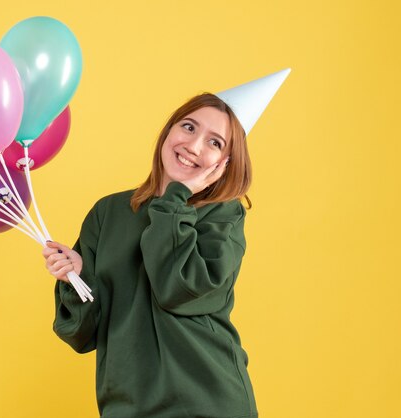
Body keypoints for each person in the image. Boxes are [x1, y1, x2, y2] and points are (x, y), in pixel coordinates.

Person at [43, 69, 290, 418]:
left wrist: (175, 200)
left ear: (224, 164)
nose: (193, 145)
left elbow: (178, 290)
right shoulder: (108, 212)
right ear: (169, 130)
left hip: (207, 403)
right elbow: (83, 335)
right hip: (128, 406)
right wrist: (77, 280)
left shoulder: (223, 215)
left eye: (214, 142)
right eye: (188, 127)